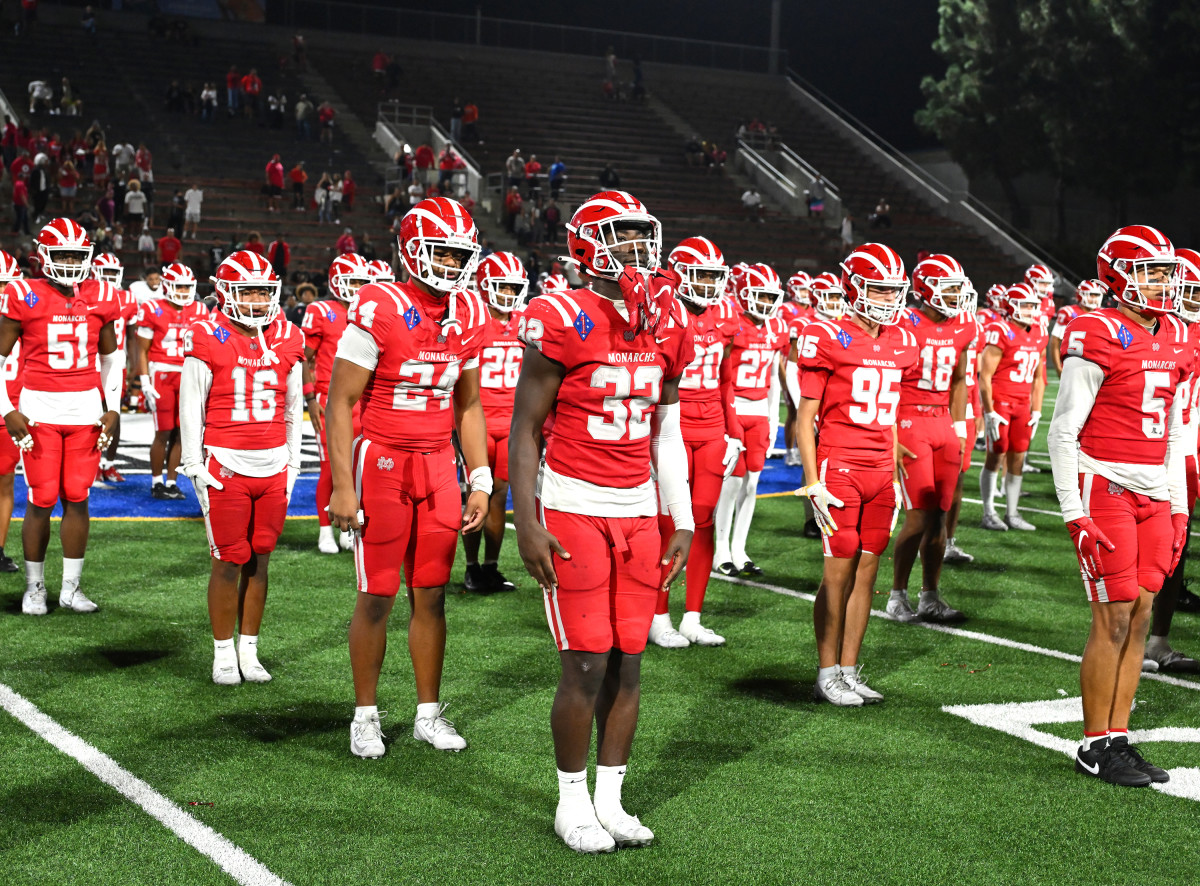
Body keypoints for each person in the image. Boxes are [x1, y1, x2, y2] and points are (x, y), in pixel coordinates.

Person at [510, 190, 691, 853]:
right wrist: (524, 520)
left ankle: (610, 800)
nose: (637, 250)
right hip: (575, 504)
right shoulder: (560, 314)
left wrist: (684, 517)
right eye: (621, 237)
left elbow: (665, 430)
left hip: (639, 509)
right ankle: (570, 802)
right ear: (587, 245)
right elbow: (525, 428)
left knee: (629, 666)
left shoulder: (667, 320)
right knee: (584, 666)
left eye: (644, 235)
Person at [326, 197, 490, 757]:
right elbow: (340, 402)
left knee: (432, 594)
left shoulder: (469, 312)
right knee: (376, 595)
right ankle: (365, 715)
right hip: (384, 461)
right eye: (441, 252)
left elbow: (468, 407)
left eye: (458, 254)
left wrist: (482, 478)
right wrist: (344, 486)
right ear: (413, 249)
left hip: (439, 463)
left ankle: (427, 712)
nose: (451, 265)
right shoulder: (380, 304)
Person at [1048, 224, 1188, 787]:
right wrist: (1071, 511)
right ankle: (1093, 743)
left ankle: (1119, 738)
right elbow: (1063, 432)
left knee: (1142, 617)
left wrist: (1177, 505)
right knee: (1111, 618)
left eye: (1166, 272)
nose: (1162, 283)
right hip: (1104, 486)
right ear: (1117, 276)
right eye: (1150, 271)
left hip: (1156, 492)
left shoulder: (1178, 334)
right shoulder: (1097, 331)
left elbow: (1175, 429)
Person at [796, 243, 917, 705]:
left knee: (867, 572)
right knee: (837, 573)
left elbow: (888, 416)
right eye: (879, 290)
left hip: (880, 469)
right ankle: (826, 671)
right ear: (854, 288)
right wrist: (812, 480)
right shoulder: (827, 335)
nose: (888, 299)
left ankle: (848, 668)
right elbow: (807, 418)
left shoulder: (902, 339)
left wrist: (893, 465)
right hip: (839, 465)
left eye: (893, 291)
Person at [180, 250, 304, 685]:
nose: (255, 299)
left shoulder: (288, 335)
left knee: (261, 558)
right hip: (225, 462)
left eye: (262, 291)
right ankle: (222, 653)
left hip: (272, 463)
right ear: (224, 291)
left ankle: (249, 649)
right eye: (246, 289)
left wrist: (294, 460)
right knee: (228, 561)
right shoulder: (206, 332)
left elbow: (293, 408)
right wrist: (194, 463)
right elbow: (191, 404)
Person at [2, 219, 123, 616]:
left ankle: (71, 588)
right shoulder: (23, 293)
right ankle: (34, 586)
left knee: (78, 495)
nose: (70, 262)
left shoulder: (102, 293)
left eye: (77, 254)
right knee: (42, 498)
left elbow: (110, 360)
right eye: (62, 254)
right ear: (43, 255)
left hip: (85, 409)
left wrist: (113, 408)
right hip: (39, 409)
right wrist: (7, 408)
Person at [647, 237, 737, 648]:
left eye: (713, 276)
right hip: (673, 424)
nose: (707, 283)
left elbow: (725, 381)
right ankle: (658, 614)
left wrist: (733, 431)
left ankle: (693, 616)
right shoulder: (661, 311)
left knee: (704, 520)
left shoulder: (726, 315)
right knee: (671, 521)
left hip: (712, 426)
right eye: (699, 274)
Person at [886, 255, 975, 625]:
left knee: (941, 517)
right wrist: (889, 434)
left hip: (942, 421)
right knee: (918, 516)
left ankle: (930, 595)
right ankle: (896, 595)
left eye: (958, 286)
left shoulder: (963, 327)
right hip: (909, 419)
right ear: (925, 289)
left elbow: (958, 380)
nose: (956, 294)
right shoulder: (903, 323)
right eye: (949, 286)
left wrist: (959, 427)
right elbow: (887, 381)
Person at [713, 264, 788, 578]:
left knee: (752, 483)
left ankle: (740, 548)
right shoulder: (731, 323)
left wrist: (772, 419)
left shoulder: (776, 328)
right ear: (743, 294)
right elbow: (721, 376)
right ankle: (720, 550)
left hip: (758, 411)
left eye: (771, 296)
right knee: (730, 483)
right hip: (733, 409)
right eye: (759, 295)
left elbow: (773, 376)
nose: (766, 303)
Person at [461, 252, 527, 593]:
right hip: (479, 421)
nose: (508, 293)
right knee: (477, 493)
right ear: (485, 286)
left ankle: (491, 567)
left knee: (500, 497)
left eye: (514, 286)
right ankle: (472, 568)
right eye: (502, 285)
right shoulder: (474, 319)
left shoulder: (524, 322)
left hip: (512, 423)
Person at [303, 253, 371, 555]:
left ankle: (348, 526)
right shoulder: (322, 310)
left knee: (359, 468)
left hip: (365, 400)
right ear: (336, 282)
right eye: (352, 281)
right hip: (330, 400)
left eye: (361, 282)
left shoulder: (370, 311)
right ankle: (323, 531)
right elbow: (304, 356)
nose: (357, 287)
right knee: (331, 467)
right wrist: (308, 396)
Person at [978, 283, 1047, 531]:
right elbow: (984, 376)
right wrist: (988, 411)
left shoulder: (1039, 332)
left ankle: (1012, 513)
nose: (1030, 311)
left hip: (1022, 404)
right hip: (1000, 402)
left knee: (1018, 456)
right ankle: (988, 512)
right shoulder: (1000, 330)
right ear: (1010, 307)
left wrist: (1037, 409)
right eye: (1025, 305)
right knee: (996, 454)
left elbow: (1039, 377)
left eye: (1032, 306)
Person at [136, 263, 208, 500]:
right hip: (163, 374)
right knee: (163, 432)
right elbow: (142, 351)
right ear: (167, 286)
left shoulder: (199, 310)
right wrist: (144, 382)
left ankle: (171, 481)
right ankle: (157, 482)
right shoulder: (151, 308)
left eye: (188, 286)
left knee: (181, 432)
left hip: (189, 375)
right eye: (179, 286)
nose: (184, 291)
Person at [91, 252, 136, 483]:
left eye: (112, 272)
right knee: (90, 416)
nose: (109, 277)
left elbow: (131, 337)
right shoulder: (87, 293)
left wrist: (134, 367)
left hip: (116, 362)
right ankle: (91, 463)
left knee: (114, 414)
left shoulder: (128, 298)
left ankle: (108, 463)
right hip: (89, 362)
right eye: (105, 272)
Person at [0, 252, 26, 571]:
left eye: (7, 282)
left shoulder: (27, 321)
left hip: (10, 413)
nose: (3, 289)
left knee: (6, 483)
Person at [1050, 279, 1104, 374]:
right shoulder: (1068, 313)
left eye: (1097, 295)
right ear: (1080, 295)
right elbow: (1055, 342)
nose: (1094, 298)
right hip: (1072, 366)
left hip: (1097, 365)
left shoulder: (1103, 314)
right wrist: (1058, 367)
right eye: (1091, 294)